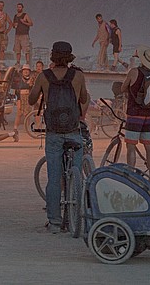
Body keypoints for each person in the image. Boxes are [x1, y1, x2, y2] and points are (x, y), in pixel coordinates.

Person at [29, 42, 89, 231]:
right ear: (70, 57)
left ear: (52, 57)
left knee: (54, 179)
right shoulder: (78, 76)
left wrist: (40, 90)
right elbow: (84, 99)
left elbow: (31, 100)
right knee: (77, 175)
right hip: (73, 131)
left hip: (53, 133)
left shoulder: (43, 76)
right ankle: (76, 217)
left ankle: (54, 222)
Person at [122, 47, 150, 182]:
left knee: (131, 146)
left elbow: (123, 88)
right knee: (149, 147)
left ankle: (130, 175)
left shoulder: (134, 72)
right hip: (149, 114)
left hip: (134, 113)